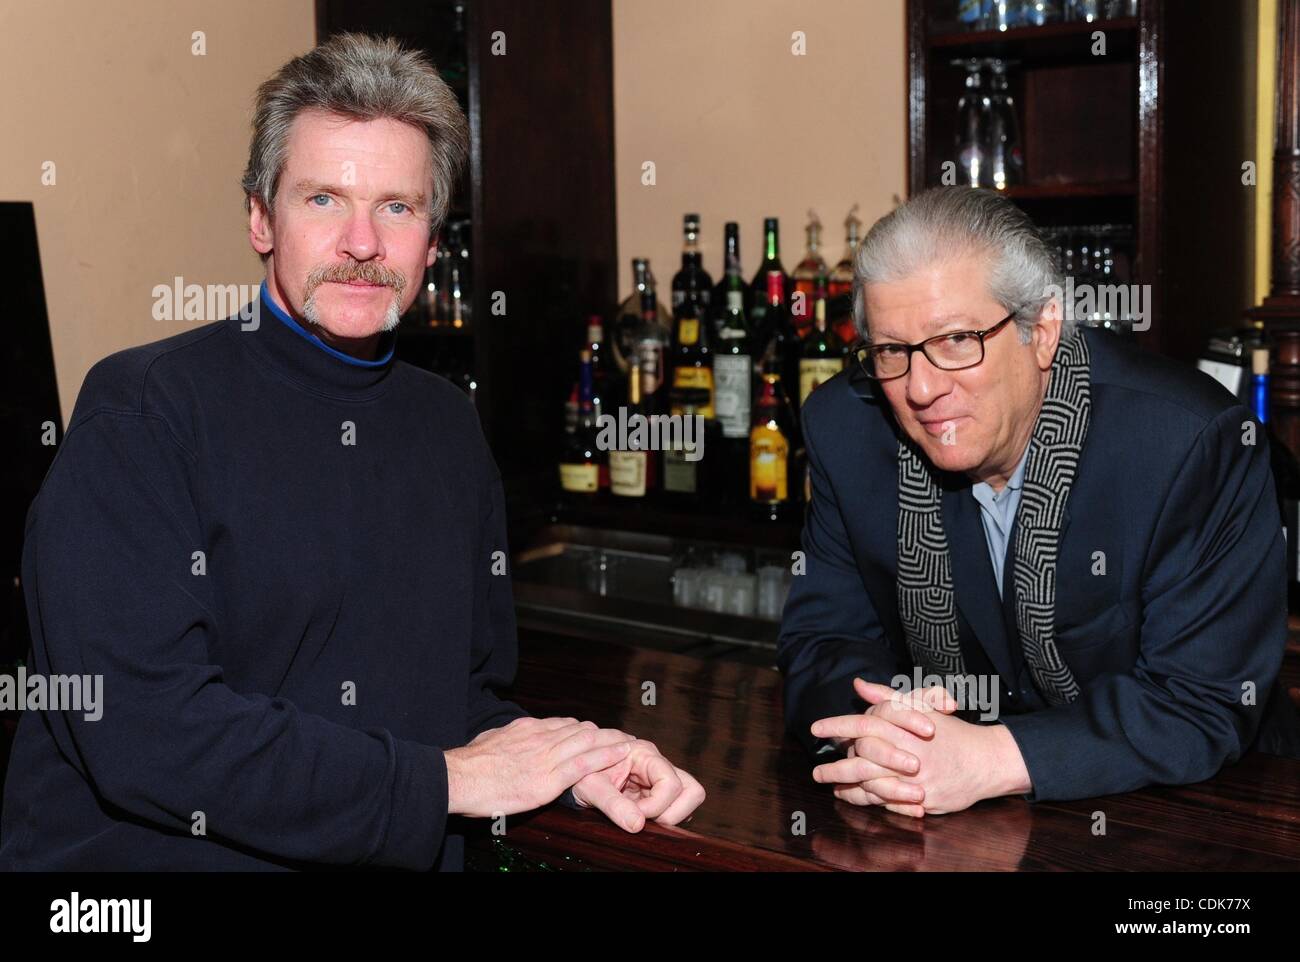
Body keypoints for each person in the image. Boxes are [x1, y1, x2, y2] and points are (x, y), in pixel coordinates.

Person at [0, 33, 702, 870]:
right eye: (324, 200)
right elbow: (148, 730)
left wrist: (578, 763)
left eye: (398, 207)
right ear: (260, 217)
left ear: (433, 244)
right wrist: (442, 782)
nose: (363, 243)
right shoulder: (144, 412)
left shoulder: (447, 425)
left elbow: (463, 700)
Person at [780, 186, 1300, 817]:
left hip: (1205, 810)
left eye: (955, 341)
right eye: (892, 351)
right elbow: (823, 639)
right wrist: (889, 737)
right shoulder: (846, 427)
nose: (920, 388)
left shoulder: (1188, 442)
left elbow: (1198, 702)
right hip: (957, 817)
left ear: (1043, 331)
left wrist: (989, 758)